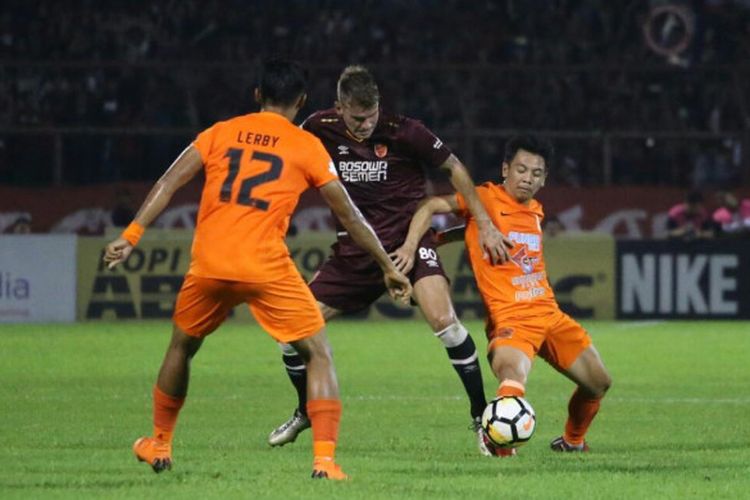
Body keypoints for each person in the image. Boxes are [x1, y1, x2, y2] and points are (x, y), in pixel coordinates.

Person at [103, 59, 412, 480]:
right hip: (264, 265)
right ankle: (324, 462)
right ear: (302, 102)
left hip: (210, 262)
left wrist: (131, 234)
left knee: (181, 347)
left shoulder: (220, 132)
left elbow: (169, 181)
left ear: (257, 96)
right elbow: (352, 216)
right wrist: (386, 266)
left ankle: (159, 442)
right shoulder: (306, 146)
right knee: (318, 353)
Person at [268, 65, 513, 456]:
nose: (365, 125)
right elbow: (286, 159)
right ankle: (305, 411)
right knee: (288, 334)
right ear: (340, 107)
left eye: (370, 116)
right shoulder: (318, 126)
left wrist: (483, 222)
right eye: (356, 117)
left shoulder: (405, 131)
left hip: (409, 247)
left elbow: (455, 168)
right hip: (355, 253)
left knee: (445, 323)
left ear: (379, 105)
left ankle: (482, 419)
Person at [396, 135, 612, 456]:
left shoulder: (535, 210)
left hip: (549, 314)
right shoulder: (483, 197)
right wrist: (414, 246)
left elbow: (490, 234)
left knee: (598, 383)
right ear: (505, 169)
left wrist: (455, 237)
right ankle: (495, 440)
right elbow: (429, 206)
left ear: (545, 178)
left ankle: (572, 441)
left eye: (536, 173)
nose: (528, 178)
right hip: (511, 319)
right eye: (521, 169)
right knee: (512, 377)